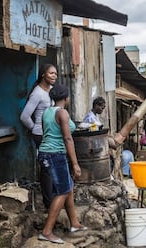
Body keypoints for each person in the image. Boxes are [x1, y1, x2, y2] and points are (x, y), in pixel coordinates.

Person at [37, 85, 87, 244]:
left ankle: (74, 224)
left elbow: (46, 132)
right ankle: (46, 231)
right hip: (55, 155)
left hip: (45, 153)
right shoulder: (62, 113)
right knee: (63, 191)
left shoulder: (47, 112)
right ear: (66, 98)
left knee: (68, 187)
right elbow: (67, 139)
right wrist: (75, 163)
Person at [20, 64, 57, 209]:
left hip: (50, 133)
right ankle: (48, 202)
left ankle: (52, 197)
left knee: (52, 166)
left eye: (56, 73)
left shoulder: (51, 91)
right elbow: (24, 116)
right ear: (43, 74)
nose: (54, 76)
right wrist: (35, 128)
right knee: (47, 168)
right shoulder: (38, 93)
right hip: (41, 134)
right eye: (51, 73)